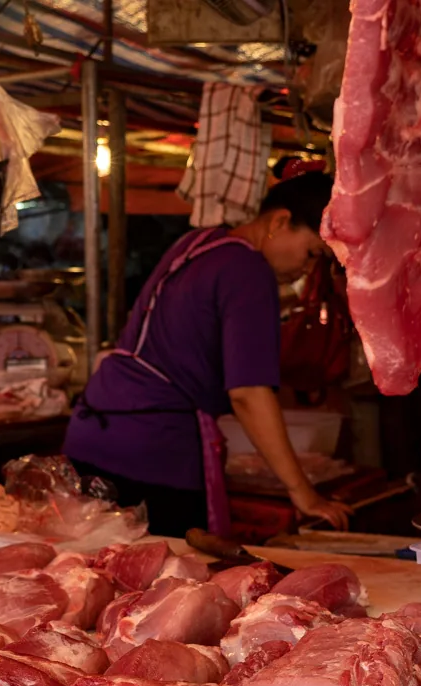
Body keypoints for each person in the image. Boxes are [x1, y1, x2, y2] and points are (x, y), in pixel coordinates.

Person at [64, 172, 354, 537]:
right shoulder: (249, 271)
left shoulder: (199, 243)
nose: (307, 269)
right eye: (311, 254)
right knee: (166, 582)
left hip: (92, 436)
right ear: (279, 221)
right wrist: (303, 492)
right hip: (154, 450)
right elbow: (248, 394)